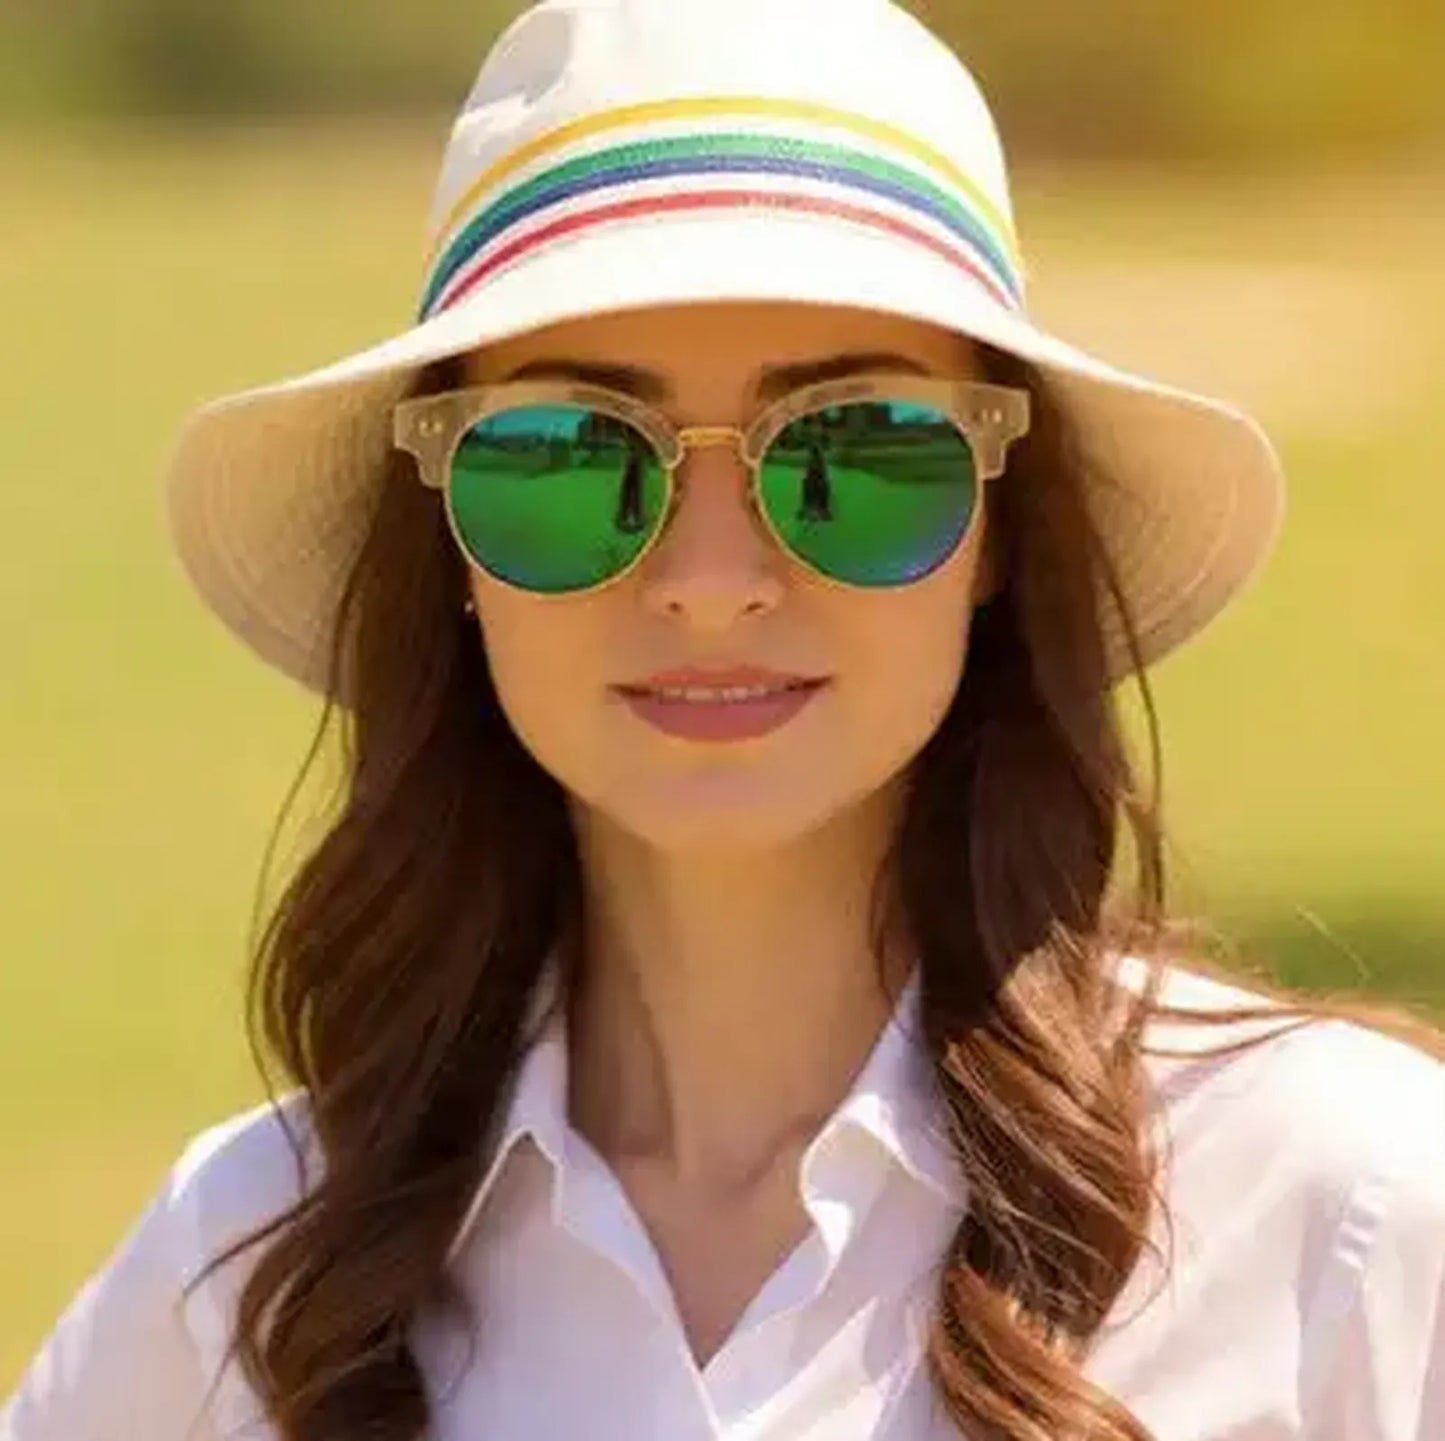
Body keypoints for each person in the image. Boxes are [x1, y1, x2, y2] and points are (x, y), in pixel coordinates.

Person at [5, 2, 1443, 1439]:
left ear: (1001, 525)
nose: (707, 583)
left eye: (858, 449)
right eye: (565, 459)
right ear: (447, 540)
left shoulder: (1348, 1214)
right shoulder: (257, 1260)